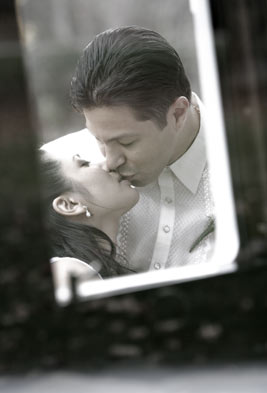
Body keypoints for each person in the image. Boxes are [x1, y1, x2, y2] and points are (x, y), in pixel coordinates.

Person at [49, 25, 215, 273]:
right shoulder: (54, 167)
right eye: (97, 138)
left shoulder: (242, 171)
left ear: (178, 114)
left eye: (126, 142)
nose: (109, 161)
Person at [39, 148, 139, 278]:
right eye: (84, 164)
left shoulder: (88, 270)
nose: (108, 164)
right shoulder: (70, 272)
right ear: (69, 204)